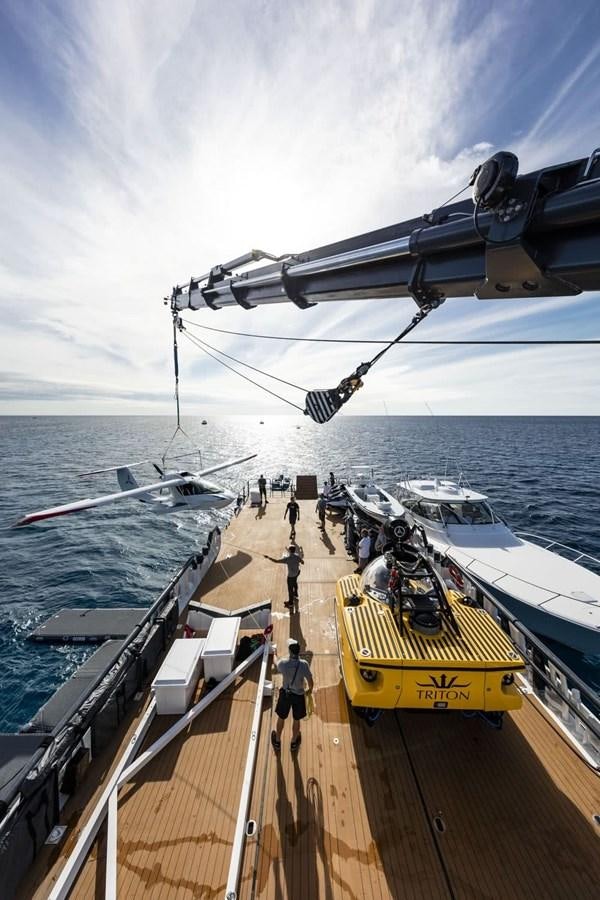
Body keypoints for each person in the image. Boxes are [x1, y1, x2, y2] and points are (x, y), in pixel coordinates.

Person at [271, 638, 314, 752]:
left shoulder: (284, 664)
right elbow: (310, 681)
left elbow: (275, 662)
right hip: (299, 696)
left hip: (286, 694)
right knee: (296, 720)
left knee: (281, 718)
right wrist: (309, 691)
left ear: (290, 652)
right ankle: (294, 742)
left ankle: (278, 741)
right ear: (298, 652)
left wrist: (274, 653)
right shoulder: (304, 664)